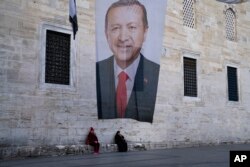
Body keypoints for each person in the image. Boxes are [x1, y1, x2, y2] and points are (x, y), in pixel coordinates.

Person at [96, 0, 160, 123]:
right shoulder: (97, 71)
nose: (123, 37)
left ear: (145, 32)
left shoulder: (157, 74)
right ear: (106, 34)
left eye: (132, 27)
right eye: (115, 28)